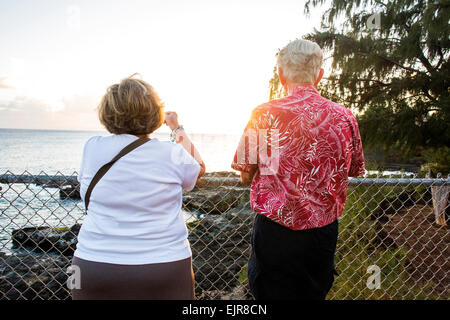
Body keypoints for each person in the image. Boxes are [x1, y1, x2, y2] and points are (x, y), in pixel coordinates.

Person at [231, 39, 365, 300]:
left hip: (274, 230)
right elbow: (354, 169)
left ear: (280, 74)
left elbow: (245, 173)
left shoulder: (262, 114)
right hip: (322, 232)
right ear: (320, 75)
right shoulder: (345, 116)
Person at [70, 74, 205, 300]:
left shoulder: (91, 148)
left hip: (90, 265)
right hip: (163, 265)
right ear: (154, 112)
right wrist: (175, 126)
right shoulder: (170, 153)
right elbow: (199, 167)